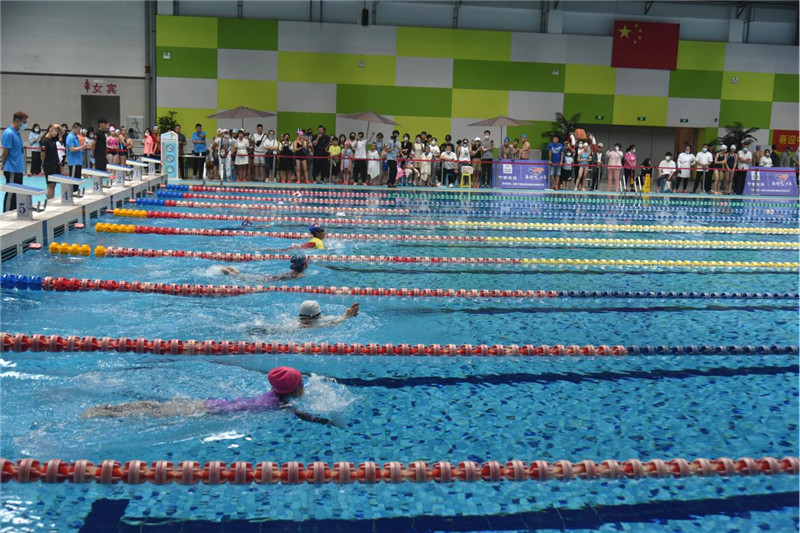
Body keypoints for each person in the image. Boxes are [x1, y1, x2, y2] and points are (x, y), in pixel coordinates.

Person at [83, 366, 341, 427]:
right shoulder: (282, 405)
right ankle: (104, 412)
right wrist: (329, 422)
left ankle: (110, 408)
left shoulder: (275, 395)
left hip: (215, 404)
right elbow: (304, 416)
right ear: (294, 389)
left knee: (156, 407)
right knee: (156, 412)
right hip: (213, 410)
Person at [1, 111, 28, 212]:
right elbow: (5, 152)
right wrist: (2, 164)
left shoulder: (17, 133)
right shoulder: (9, 133)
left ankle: (14, 212)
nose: (25, 125)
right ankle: (6, 214)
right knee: (11, 193)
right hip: (11, 168)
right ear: (17, 121)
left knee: (17, 193)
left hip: (18, 168)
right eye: (24, 122)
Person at [221, 254, 309, 282]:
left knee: (251, 278)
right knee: (250, 279)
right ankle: (233, 274)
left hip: (272, 277)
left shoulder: (291, 272)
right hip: (272, 280)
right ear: (304, 264)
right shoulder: (301, 275)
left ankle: (236, 273)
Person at [40, 124, 61, 200]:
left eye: (57, 131)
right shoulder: (44, 141)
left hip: (55, 164)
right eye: (55, 131)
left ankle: (51, 199)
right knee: (50, 184)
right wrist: (43, 164)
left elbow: (63, 132)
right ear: (50, 130)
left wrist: (58, 126)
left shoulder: (53, 139)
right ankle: (49, 200)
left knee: (54, 184)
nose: (56, 132)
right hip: (48, 165)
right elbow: (43, 154)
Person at [65, 122, 84, 191]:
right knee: (73, 180)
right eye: (78, 130)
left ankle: (75, 192)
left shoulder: (76, 137)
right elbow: (72, 149)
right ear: (74, 129)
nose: (79, 132)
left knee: (77, 181)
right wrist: (82, 147)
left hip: (78, 162)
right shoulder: (70, 137)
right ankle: (71, 193)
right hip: (73, 162)